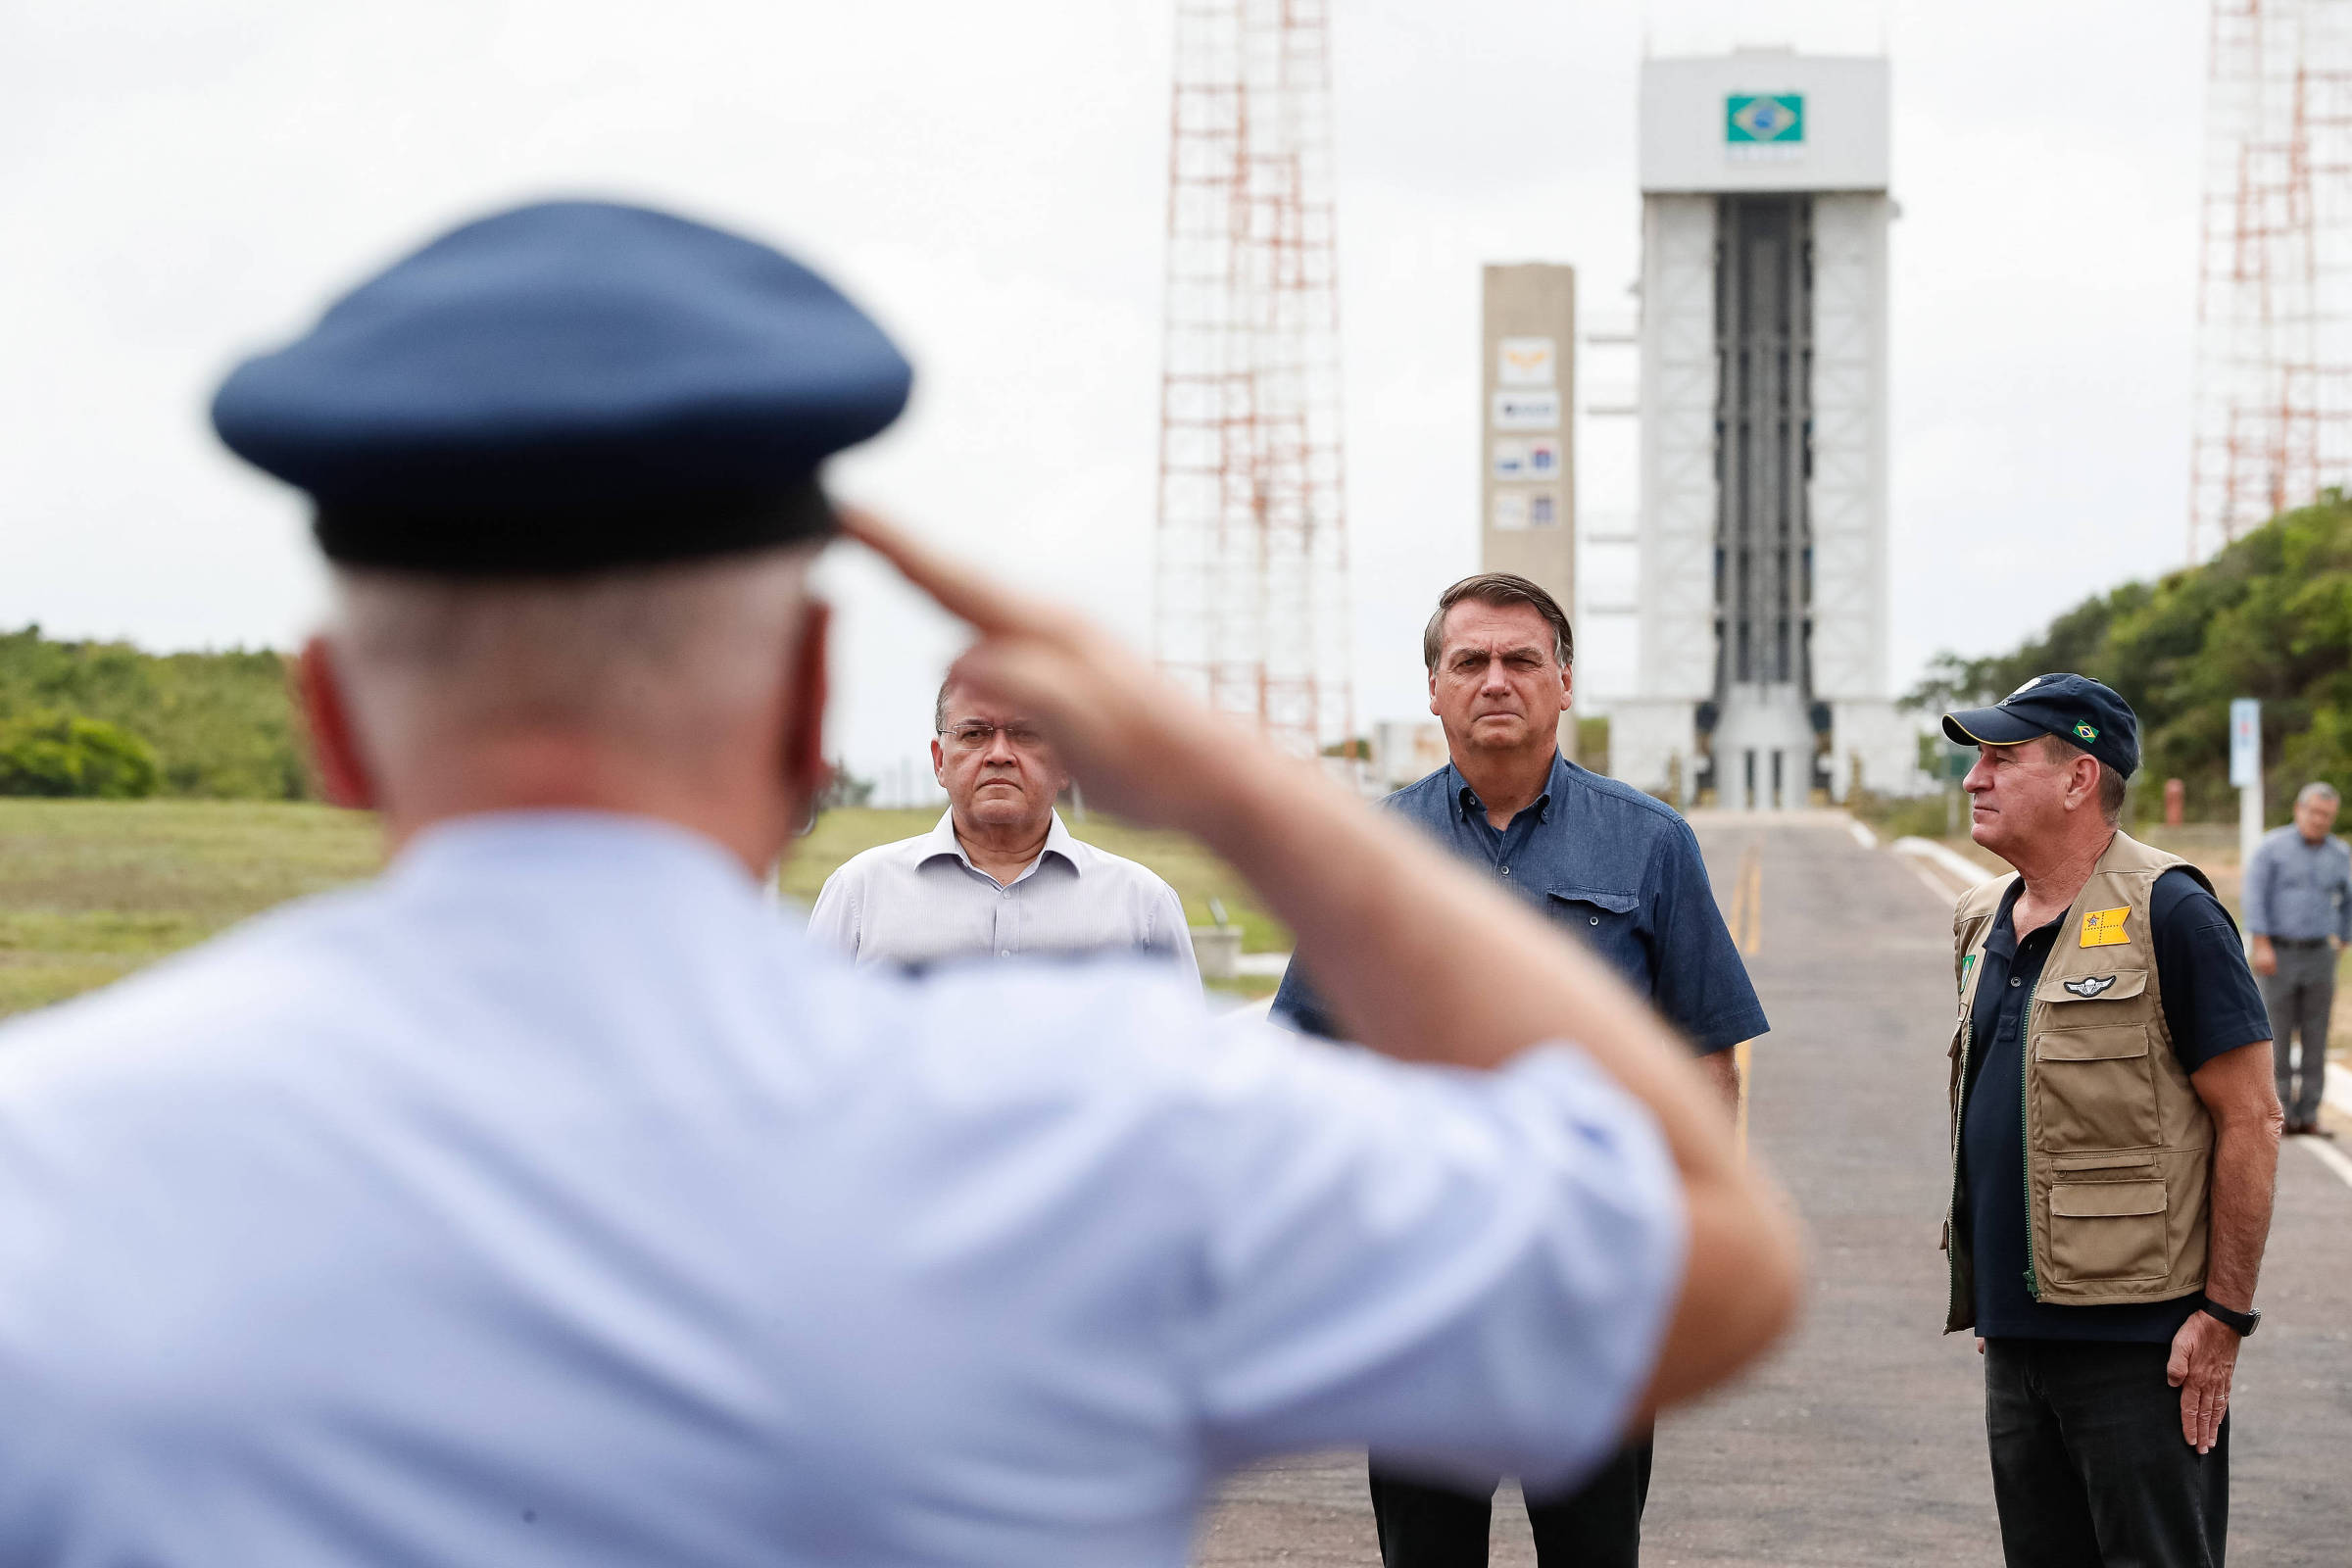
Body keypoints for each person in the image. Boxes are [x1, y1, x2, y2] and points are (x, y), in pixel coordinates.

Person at [0, 200, 1801, 1566]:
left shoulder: (53, 1158)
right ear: (807, 708)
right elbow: (1704, 1263)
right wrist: (1259, 790)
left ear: (327, 719)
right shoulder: (1086, 1130)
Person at [1272, 571, 1768, 1568]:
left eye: (1520, 660)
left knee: (1593, 1550)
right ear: (1434, 688)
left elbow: (1708, 1059)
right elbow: (1301, 1064)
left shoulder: (1650, 843)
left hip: (1590, 1285)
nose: (1495, 680)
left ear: (1565, 682)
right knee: (1428, 1551)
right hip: (1420, 1291)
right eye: (1470, 661)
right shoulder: (1368, 849)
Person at [1940, 673, 2281, 1568]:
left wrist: (2224, 1318)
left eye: (2001, 758)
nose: (1975, 780)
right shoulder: (1983, 921)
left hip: (2143, 1348)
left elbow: (2252, 1118)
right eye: (1977, 759)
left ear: (2078, 778)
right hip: (2016, 1344)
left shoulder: (2173, 911)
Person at [807, 675, 1198, 982]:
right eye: (974, 734)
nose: (999, 755)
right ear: (939, 760)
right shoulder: (860, 894)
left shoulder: (1142, 905)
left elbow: (1185, 1067)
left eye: (1025, 735)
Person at [2243, 780, 2349, 1138]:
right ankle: (2280, 1112)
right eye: (2314, 812)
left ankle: (2310, 1114)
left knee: (2317, 1036)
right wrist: (2261, 943)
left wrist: (2344, 938)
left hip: (2320, 954)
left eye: (2327, 815)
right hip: (2278, 954)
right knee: (2276, 1033)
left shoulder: (2340, 854)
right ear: (2299, 810)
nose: (2319, 820)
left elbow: (2348, 898)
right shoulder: (2272, 848)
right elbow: (2254, 895)